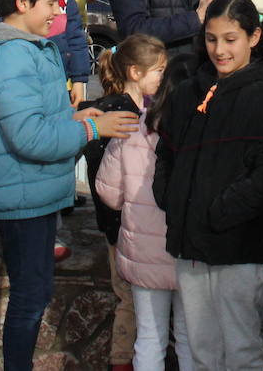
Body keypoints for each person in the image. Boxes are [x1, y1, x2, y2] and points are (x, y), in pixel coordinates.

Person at [0, 0, 138, 371]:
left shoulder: (28, 49)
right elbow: (30, 137)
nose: (59, 10)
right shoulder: (12, 56)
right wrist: (94, 129)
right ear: (22, 2)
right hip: (23, 195)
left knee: (33, 295)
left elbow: (34, 120)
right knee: (30, 299)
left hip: (30, 190)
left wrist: (74, 118)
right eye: (52, 2)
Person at [153, 0, 263, 371]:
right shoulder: (188, 92)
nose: (220, 50)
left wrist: (220, 212)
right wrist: (170, 196)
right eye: (212, 39)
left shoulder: (262, 96)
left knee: (241, 350)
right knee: (199, 348)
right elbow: (166, 150)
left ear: (253, 38)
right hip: (191, 246)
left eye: (230, 39)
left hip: (237, 248)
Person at [95, 36, 197, 371]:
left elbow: (108, 193)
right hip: (189, 251)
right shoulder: (203, 133)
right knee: (188, 337)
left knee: (149, 337)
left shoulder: (133, 127)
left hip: (142, 252)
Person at [80, 38, 152, 371]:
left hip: (124, 224)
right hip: (124, 223)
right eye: (160, 70)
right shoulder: (122, 112)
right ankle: (123, 361)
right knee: (130, 302)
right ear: (136, 72)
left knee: (132, 301)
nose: (165, 77)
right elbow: (103, 176)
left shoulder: (119, 106)